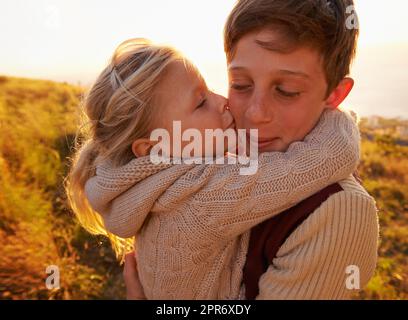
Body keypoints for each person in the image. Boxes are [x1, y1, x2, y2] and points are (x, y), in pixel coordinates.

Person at [66, 37, 360, 299]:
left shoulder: (147, 186)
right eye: (201, 103)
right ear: (155, 147)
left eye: (210, 90)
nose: (221, 102)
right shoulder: (201, 197)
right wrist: (332, 110)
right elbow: (324, 158)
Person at [124, 0, 379, 299]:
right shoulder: (211, 158)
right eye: (241, 84)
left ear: (335, 94)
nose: (255, 113)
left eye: (286, 91)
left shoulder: (338, 211)